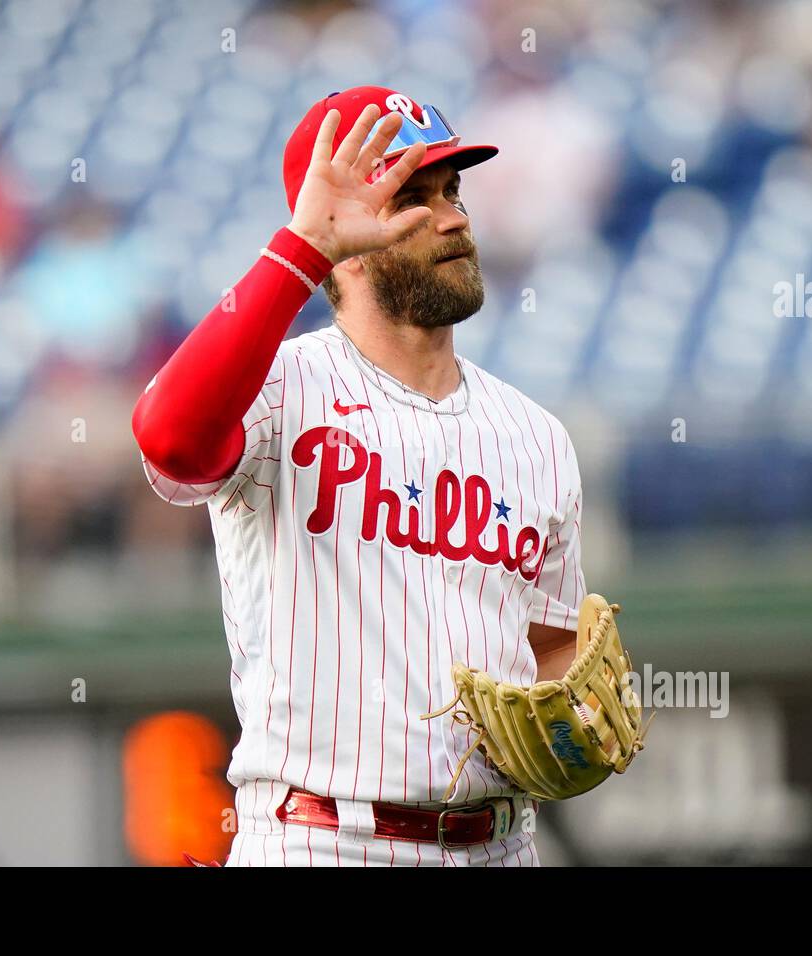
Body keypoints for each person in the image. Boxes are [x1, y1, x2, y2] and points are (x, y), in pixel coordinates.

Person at [131, 86, 586, 866]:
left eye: (452, 191)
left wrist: (572, 707)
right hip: (320, 839)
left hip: (503, 846)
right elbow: (169, 439)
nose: (453, 218)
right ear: (343, 222)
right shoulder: (277, 389)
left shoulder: (536, 436)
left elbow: (552, 644)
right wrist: (303, 246)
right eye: (412, 196)